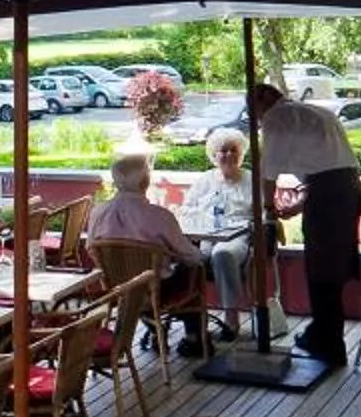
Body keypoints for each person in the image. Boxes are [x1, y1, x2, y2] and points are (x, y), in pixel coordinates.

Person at [246, 80, 361, 368]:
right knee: (329, 272)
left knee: (322, 272)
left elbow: (269, 171)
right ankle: (322, 333)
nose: (257, 120)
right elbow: (329, 168)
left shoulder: (276, 119)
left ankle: (330, 345)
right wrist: (302, 203)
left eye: (254, 113)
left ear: (261, 105)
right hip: (348, 189)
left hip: (330, 195)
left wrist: (268, 208)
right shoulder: (316, 111)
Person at [86, 150, 214, 357]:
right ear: (145, 181)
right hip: (156, 290)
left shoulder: (98, 213)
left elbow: (91, 247)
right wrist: (195, 256)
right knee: (193, 269)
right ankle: (194, 338)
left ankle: (155, 329)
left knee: (150, 279)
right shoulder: (159, 216)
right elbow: (189, 255)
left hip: (115, 289)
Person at [174, 127, 262, 335]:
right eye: (223, 150)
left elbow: (263, 214)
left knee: (222, 253)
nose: (228, 154)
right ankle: (194, 323)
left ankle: (231, 317)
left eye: (233, 150)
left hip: (239, 235)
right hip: (207, 234)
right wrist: (203, 211)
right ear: (214, 155)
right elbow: (186, 209)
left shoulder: (251, 180)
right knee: (191, 259)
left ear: (241, 154)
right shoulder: (205, 180)